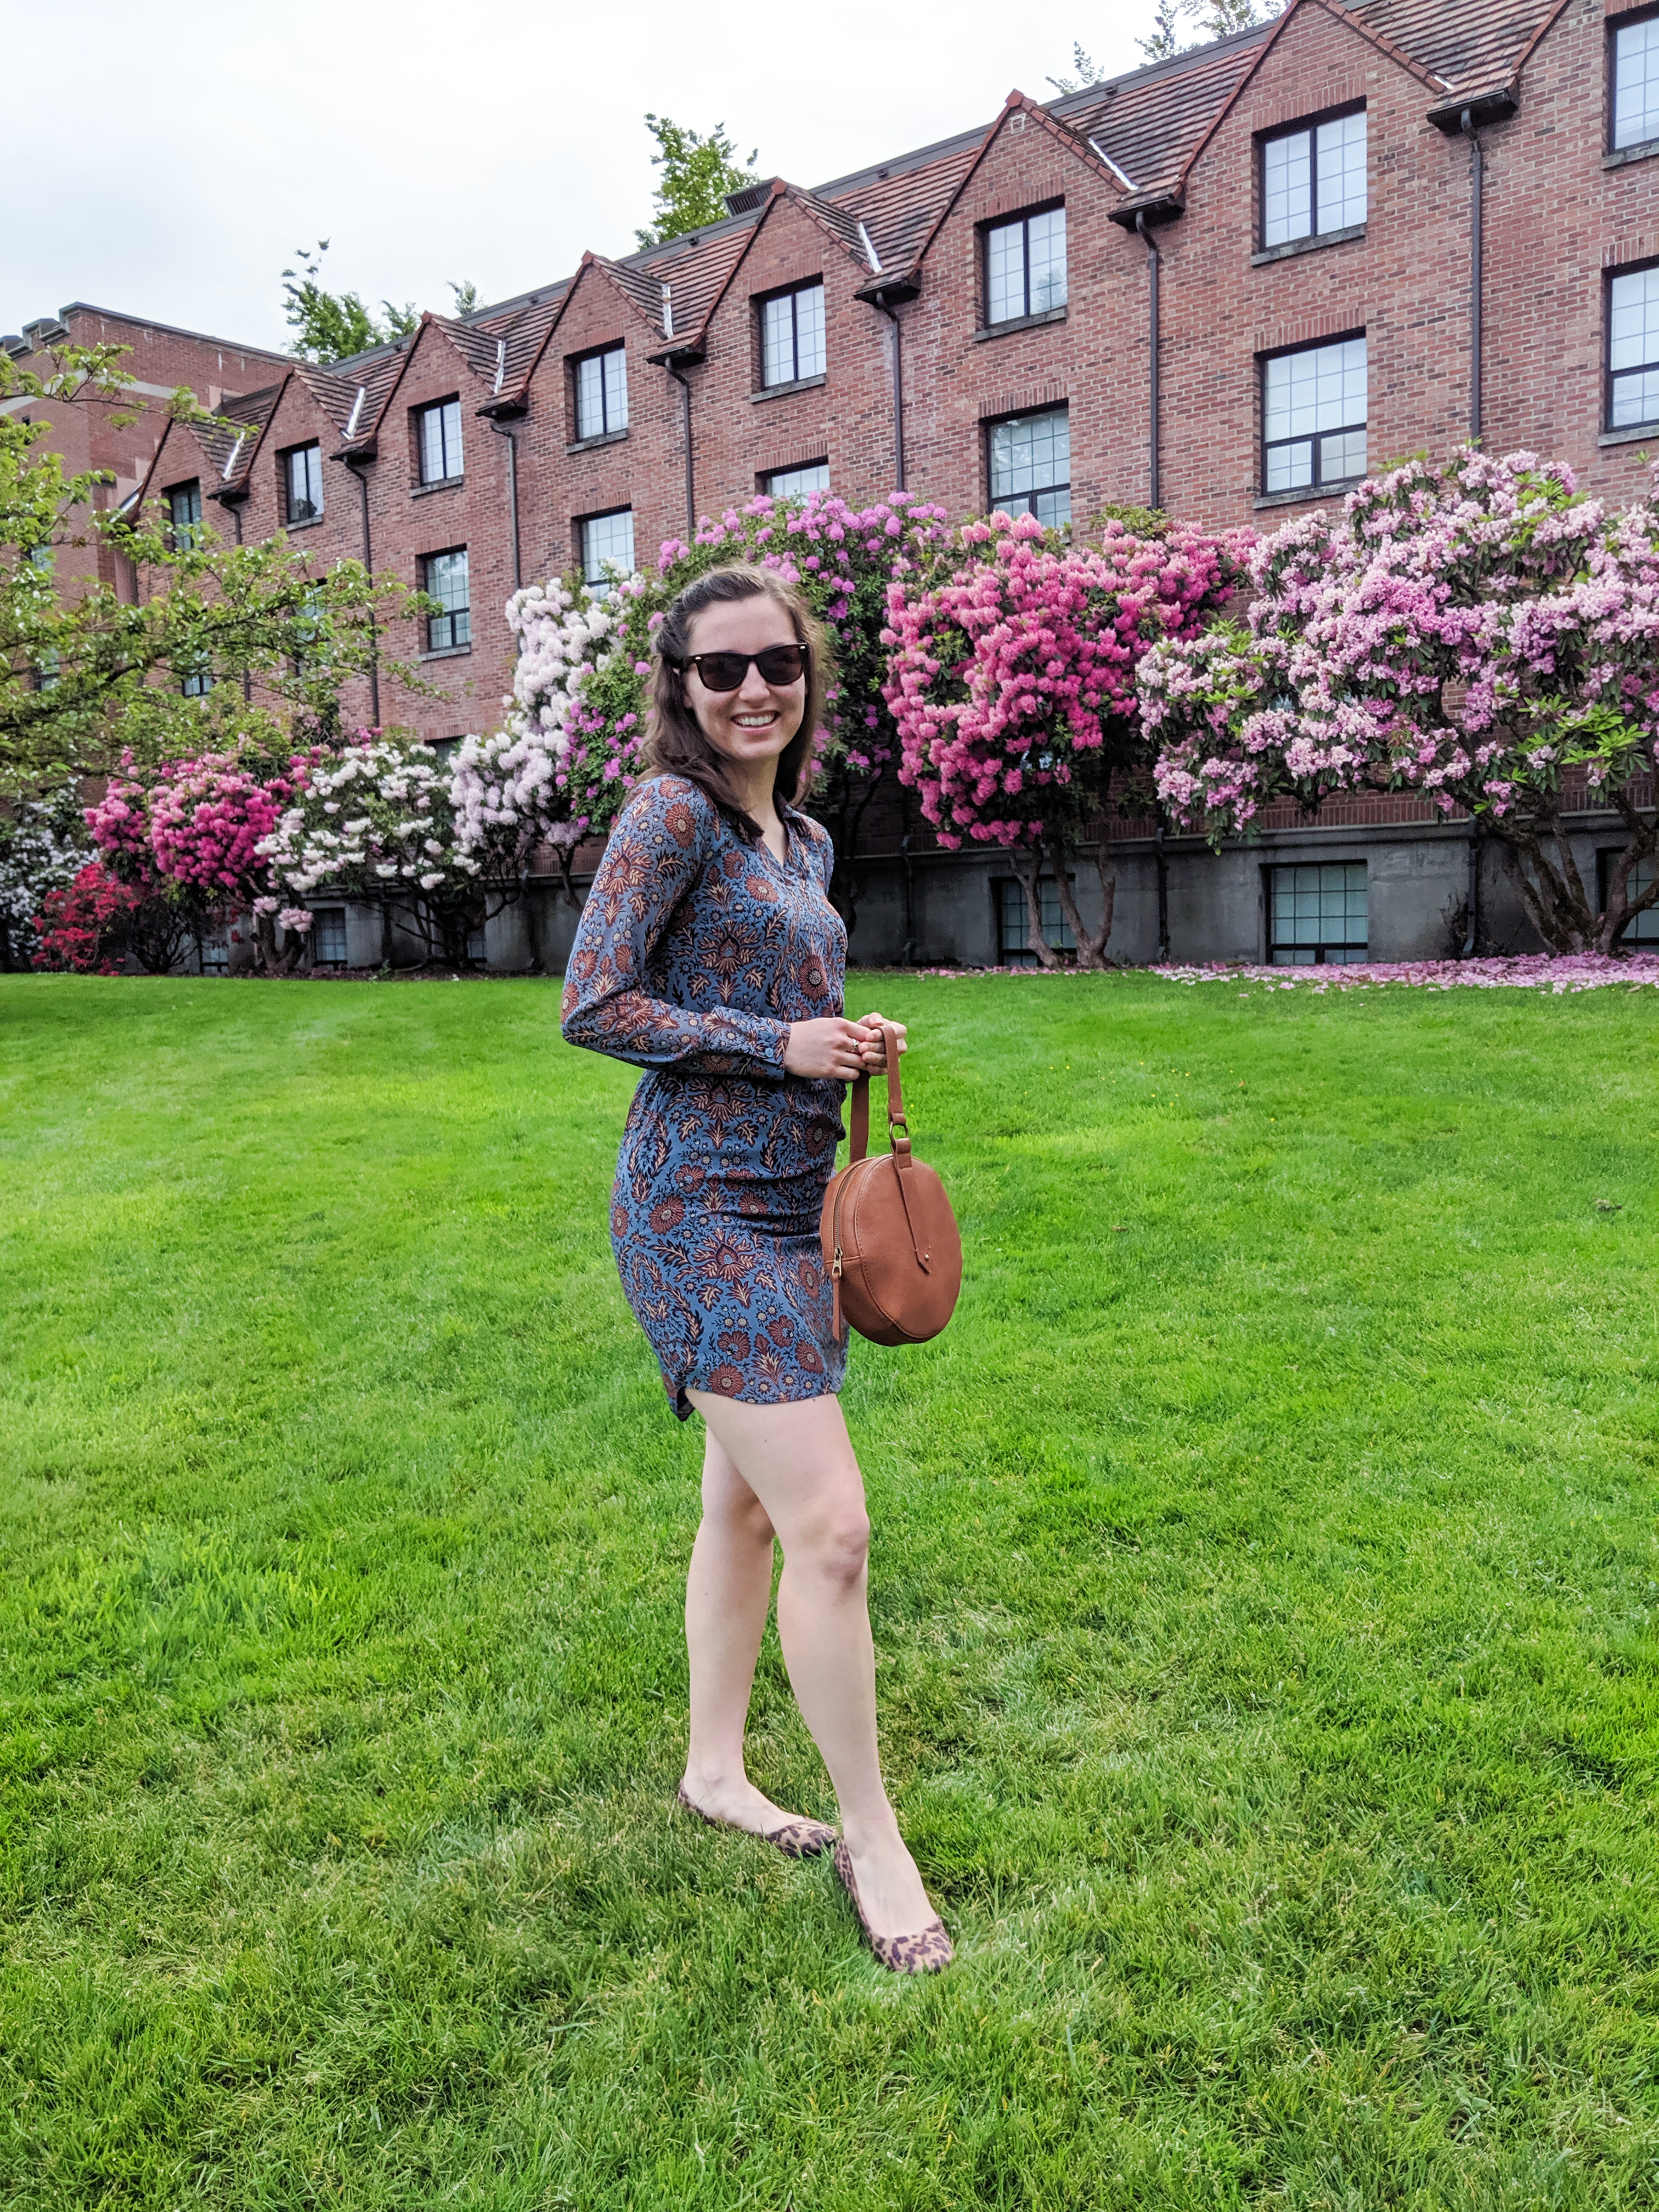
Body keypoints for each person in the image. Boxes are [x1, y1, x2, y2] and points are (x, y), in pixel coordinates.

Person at [560, 563, 951, 1974]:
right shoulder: (670, 816)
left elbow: (790, 995)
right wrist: (770, 1042)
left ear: (806, 675)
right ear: (680, 687)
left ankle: (715, 1775)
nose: (750, 691)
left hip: (797, 1203)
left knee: (745, 1514)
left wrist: (844, 1036)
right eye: (718, 670)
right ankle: (874, 1839)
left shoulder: (806, 840)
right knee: (831, 1528)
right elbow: (593, 1005)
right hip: (694, 1208)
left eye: (774, 663)